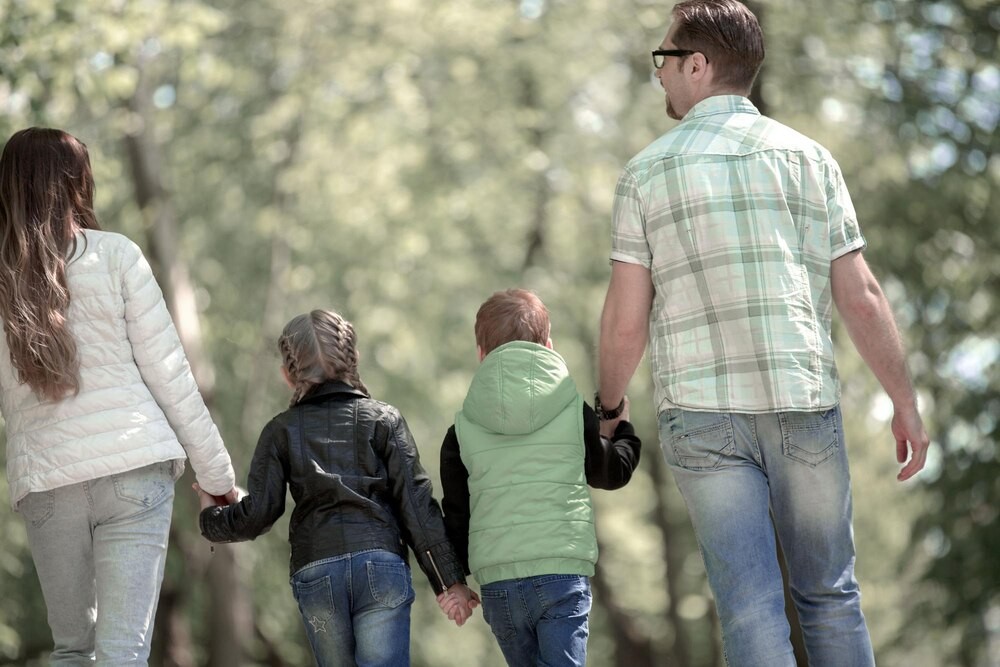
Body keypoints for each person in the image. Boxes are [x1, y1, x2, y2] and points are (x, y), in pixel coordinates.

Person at [597, 1, 931, 665]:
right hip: (802, 402)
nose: (659, 73)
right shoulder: (810, 160)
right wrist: (905, 401)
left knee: (749, 610)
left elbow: (625, 318)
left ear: (697, 65)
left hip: (702, 415)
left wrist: (609, 411)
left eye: (665, 59)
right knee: (831, 596)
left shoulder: (646, 173)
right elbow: (861, 295)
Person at [0, 127, 238, 665]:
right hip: (133, 468)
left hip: (47, 481)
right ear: (76, 182)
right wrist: (218, 479)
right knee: (122, 653)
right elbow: (171, 376)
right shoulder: (116, 255)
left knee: (72, 650)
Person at [196, 309, 476, 667]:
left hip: (318, 572)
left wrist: (211, 516)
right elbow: (417, 508)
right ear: (354, 358)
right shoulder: (384, 419)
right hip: (380, 565)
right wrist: (450, 581)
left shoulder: (280, 430)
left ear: (287, 375)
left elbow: (259, 514)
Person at [437, 288, 641, 667]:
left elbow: (457, 515)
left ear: (481, 353)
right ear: (548, 345)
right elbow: (610, 474)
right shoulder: (573, 411)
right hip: (560, 573)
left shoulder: (461, 430)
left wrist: (456, 580)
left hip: (499, 584)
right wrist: (624, 431)